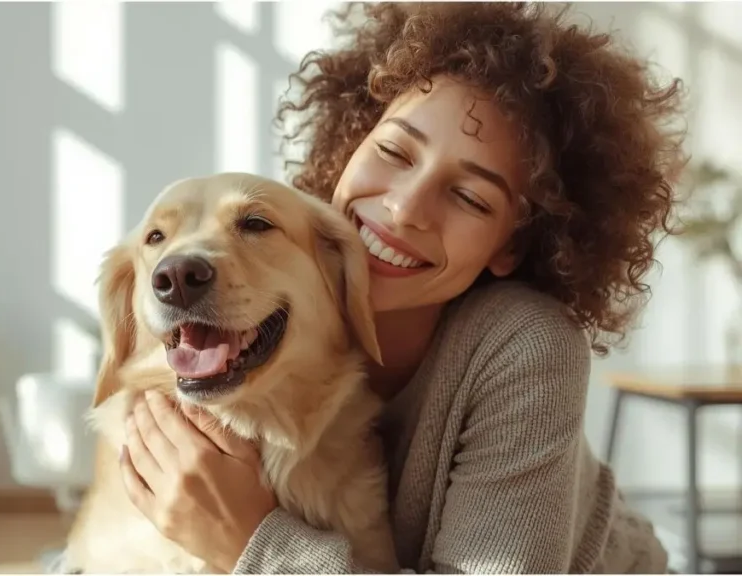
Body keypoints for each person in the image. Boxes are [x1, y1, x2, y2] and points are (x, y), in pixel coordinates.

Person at [117, 2, 687, 573]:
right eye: (393, 151)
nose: (404, 208)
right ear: (351, 143)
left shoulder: (529, 348)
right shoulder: (272, 274)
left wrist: (250, 541)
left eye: (469, 197)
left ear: (512, 245)